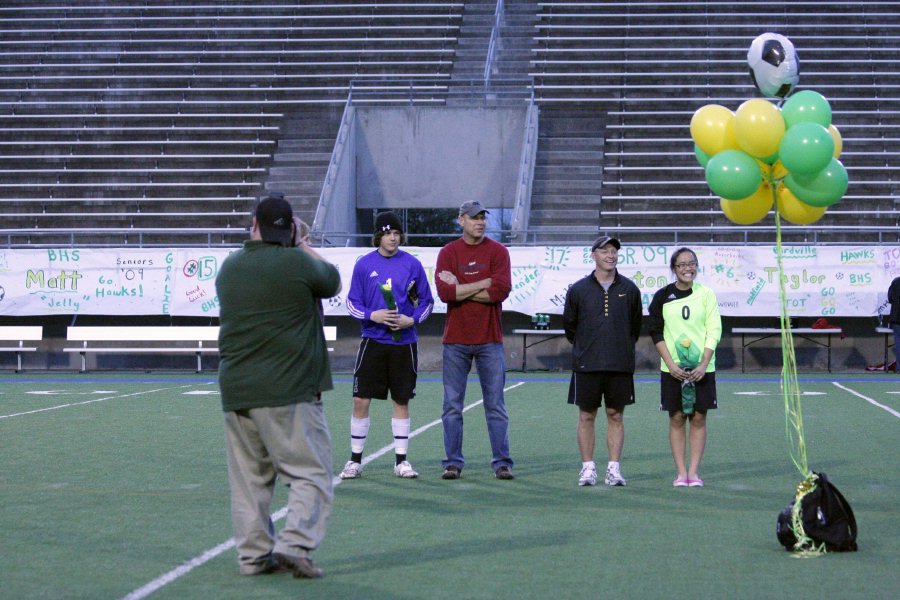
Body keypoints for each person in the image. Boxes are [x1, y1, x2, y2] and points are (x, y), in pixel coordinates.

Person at [216, 193, 342, 578]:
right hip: (288, 390)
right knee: (311, 473)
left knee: (250, 482)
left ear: (253, 225)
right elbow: (333, 281)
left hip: (237, 390)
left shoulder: (229, 268)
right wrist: (302, 244)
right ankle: (295, 543)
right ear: (288, 229)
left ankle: (253, 557)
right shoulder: (296, 262)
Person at [340, 211, 434, 479]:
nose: (393, 238)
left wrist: (410, 320)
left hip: (404, 344)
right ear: (377, 236)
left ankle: (401, 461)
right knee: (360, 399)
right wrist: (373, 315)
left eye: (396, 233)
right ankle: (354, 461)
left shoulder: (412, 265)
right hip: (373, 341)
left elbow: (426, 302)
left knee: (401, 400)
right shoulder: (363, 265)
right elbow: (352, 303)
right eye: (387, 233)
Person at [435, 200, 514, 480]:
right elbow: (445, 294)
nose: (480, 222)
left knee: (495, 405)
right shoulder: (448, 252)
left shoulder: (498, 252)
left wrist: (460, 285)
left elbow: (500, 290)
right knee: (452, 406)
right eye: (474, 218)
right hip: (455, 341)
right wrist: (483, 282)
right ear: (461, 220)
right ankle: (452, 463)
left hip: (489, 340)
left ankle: (502, 462)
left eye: (482, 218)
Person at [562, 236, 642, 487]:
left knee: (615, 415)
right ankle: (587, 469)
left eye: (614, 251)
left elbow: (635, 328)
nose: (611, 255)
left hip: (620, 364)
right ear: (593, 255)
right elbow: (570, 328)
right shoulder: (578, 290)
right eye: (605, 250)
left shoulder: (630, 289)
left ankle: (614, 469)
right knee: (586, 416)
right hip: (587, 364)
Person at [648, 247, 722, 488]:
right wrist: (670, 365)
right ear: (673, 269)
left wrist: (703, 363)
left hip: (703, 368)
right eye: (682, 265)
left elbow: (714, 329)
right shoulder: (662, 296)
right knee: (677, 417)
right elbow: (656, 331)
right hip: (673, 368)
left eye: (692, 263)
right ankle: (680, 473)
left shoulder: (706, 294)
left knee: (699, 417)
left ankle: (694, 473)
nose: (687, 268)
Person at [890, 276, 900, 372]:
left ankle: (899, 367)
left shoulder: (896, 281)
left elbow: (890, 298)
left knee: (898, 342)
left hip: (897, 317)